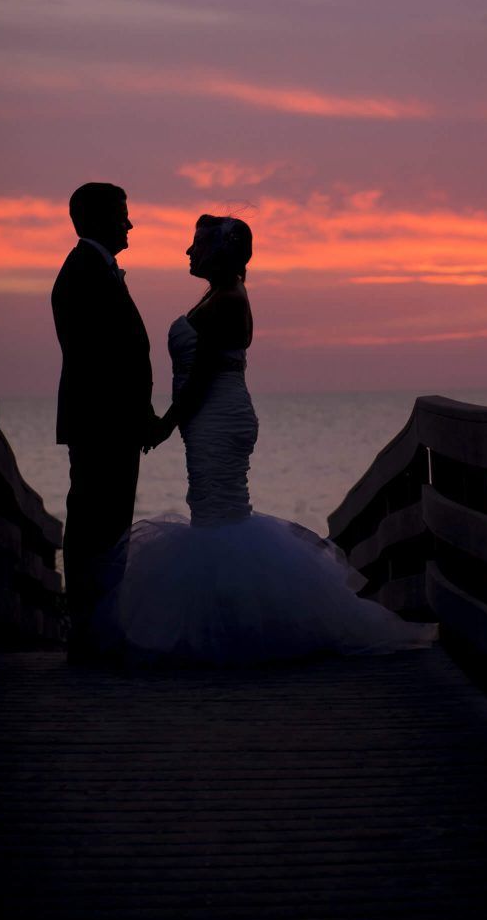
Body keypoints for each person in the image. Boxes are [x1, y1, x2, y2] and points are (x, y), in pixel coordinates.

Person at [88, 213, 437, 666]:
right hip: (211, 416)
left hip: (217, 415)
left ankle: (235, 630)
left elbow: (203, 376)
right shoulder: (217, 294)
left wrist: (165, 424)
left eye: (197, 245)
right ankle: (228, 622)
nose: (189, 252)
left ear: (219, 253)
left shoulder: (228, 299)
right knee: (214, 511)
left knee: (218, 517)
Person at [51, 182, 154, 662]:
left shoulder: (96, 270)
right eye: (122, 214)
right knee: (96, 527)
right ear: (94, 219)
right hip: (102, 426)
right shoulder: (83, 274)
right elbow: (101, 361)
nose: (129, 223)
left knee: (107, 526)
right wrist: (138, 416)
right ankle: (91, 631)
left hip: (110, 425)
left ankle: (100, 627)